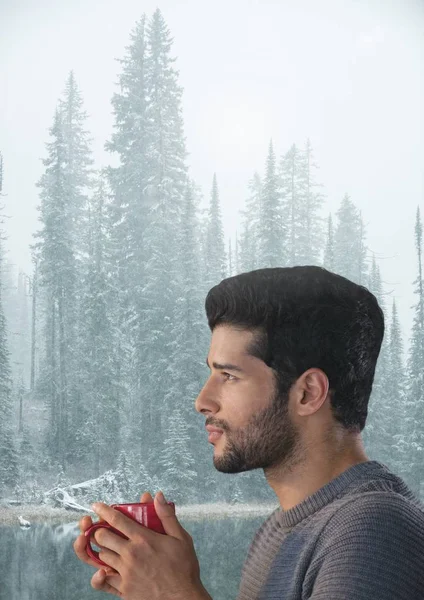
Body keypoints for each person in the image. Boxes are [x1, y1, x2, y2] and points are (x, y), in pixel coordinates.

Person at [74, 266, 424, 599]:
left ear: (308, 393)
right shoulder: (282, 527)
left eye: (229, 376)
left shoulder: (375, 531)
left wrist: (176, 593)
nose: (202, 400)